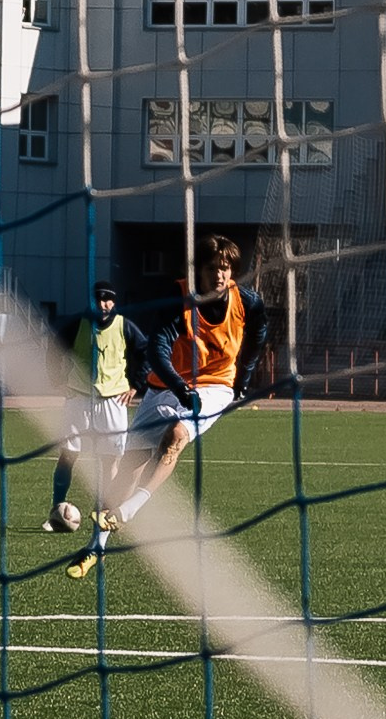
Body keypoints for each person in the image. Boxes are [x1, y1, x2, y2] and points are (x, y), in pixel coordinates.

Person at [68, 235, 267, 579]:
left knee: (176, 435)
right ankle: (95, 548)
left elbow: (258, 336)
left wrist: (242, 380)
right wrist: (178, 387)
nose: (220, 276)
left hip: (216, 385)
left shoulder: (247, 302)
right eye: (212, 269)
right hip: (168, 386)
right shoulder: (177, 301)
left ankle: (127, 513)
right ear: (197, 272)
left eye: (225, 269)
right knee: (127, 468)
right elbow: (158, 351)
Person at [43, 277, 134, 532]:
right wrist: (57, 379)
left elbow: (146, 350)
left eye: (108, 298)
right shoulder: (75, 323)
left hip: (113, 400)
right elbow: (53, 348)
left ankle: (105, 512)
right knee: (68, 454)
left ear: (114, 302)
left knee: (110, 460)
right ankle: (56, 511)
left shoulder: (125, 325)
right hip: (78, 397)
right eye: (98, 298)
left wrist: (137, 383)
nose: (103, 303)